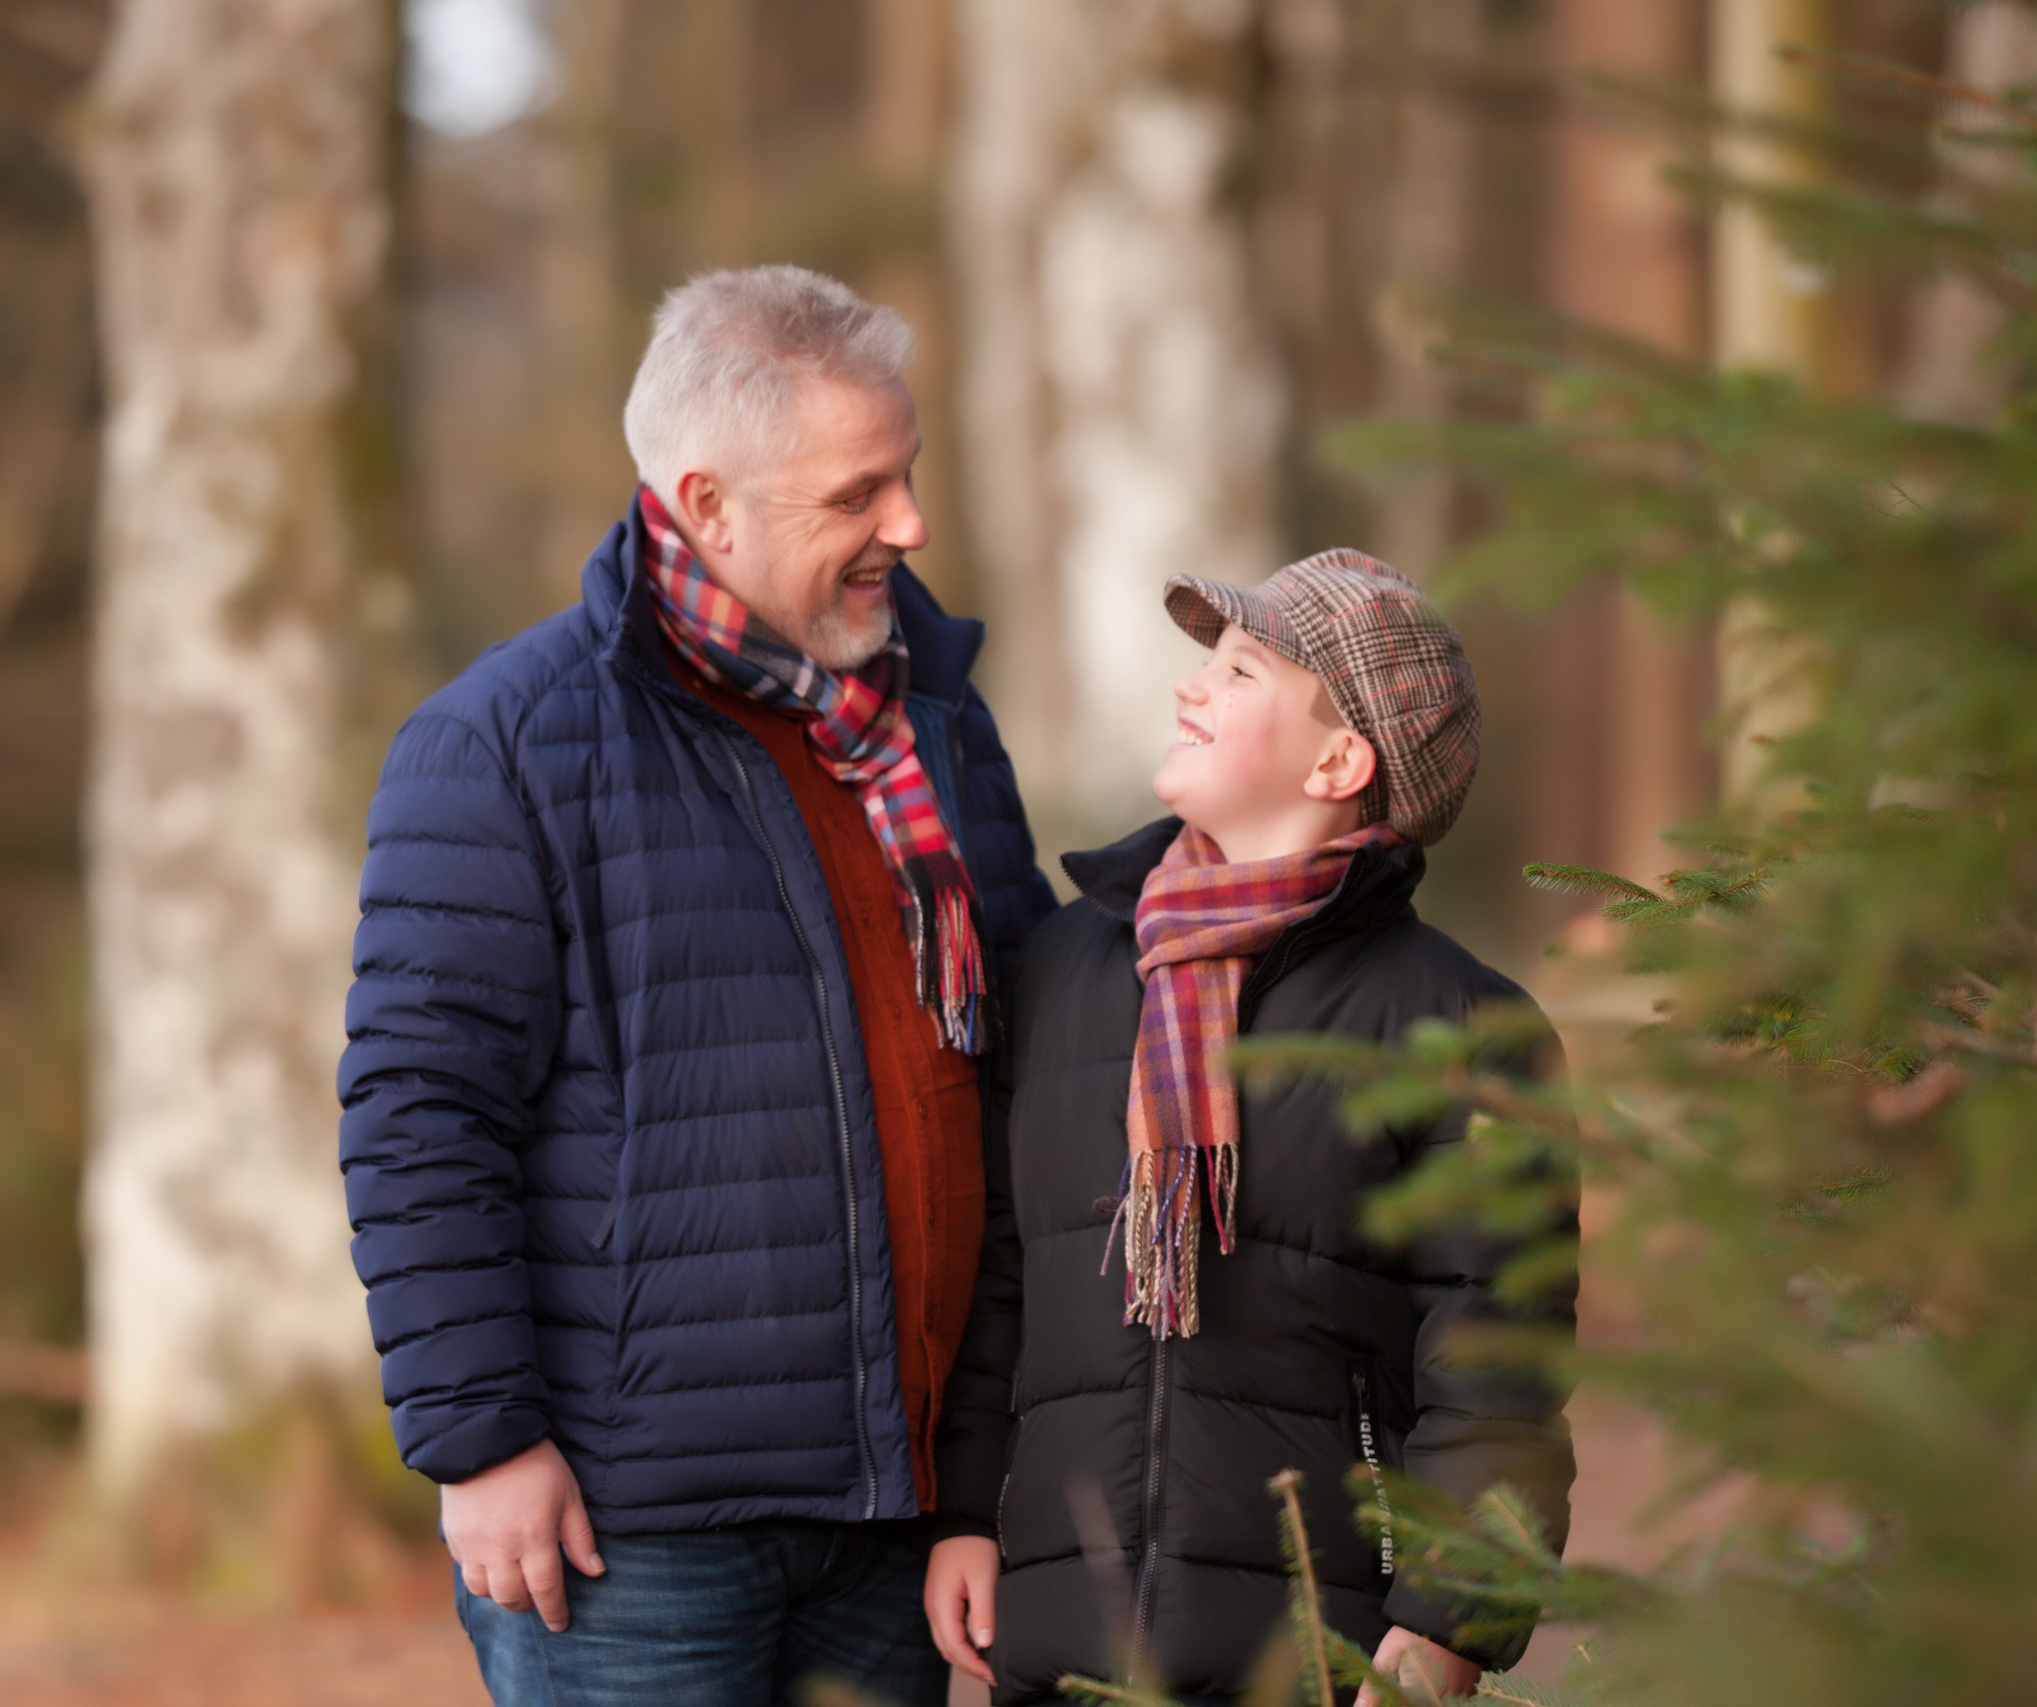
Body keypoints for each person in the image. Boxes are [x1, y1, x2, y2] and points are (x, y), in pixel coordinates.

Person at [338, 265, 1055, 1707]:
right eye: (857, 495)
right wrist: (480, 1440)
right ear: (707, 503)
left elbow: (1013, 1080)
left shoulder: (936, 726)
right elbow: (421, 1115)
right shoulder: (504, 743)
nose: (908, 527)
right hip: (630, 1535)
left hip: (896, 1514)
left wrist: (980, 1476)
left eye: (906, 477)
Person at [922, 551, 1577, 1705]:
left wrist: (1447, 1623)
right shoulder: (1068, 969)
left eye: (1238, 672)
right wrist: (969, 1511)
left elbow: (1497, 1368)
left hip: (1320, 1646)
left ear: (1339, 759)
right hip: (1061, 1634)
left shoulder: (1463, 1025)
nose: (1192, 689)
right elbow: (1002, 1278)